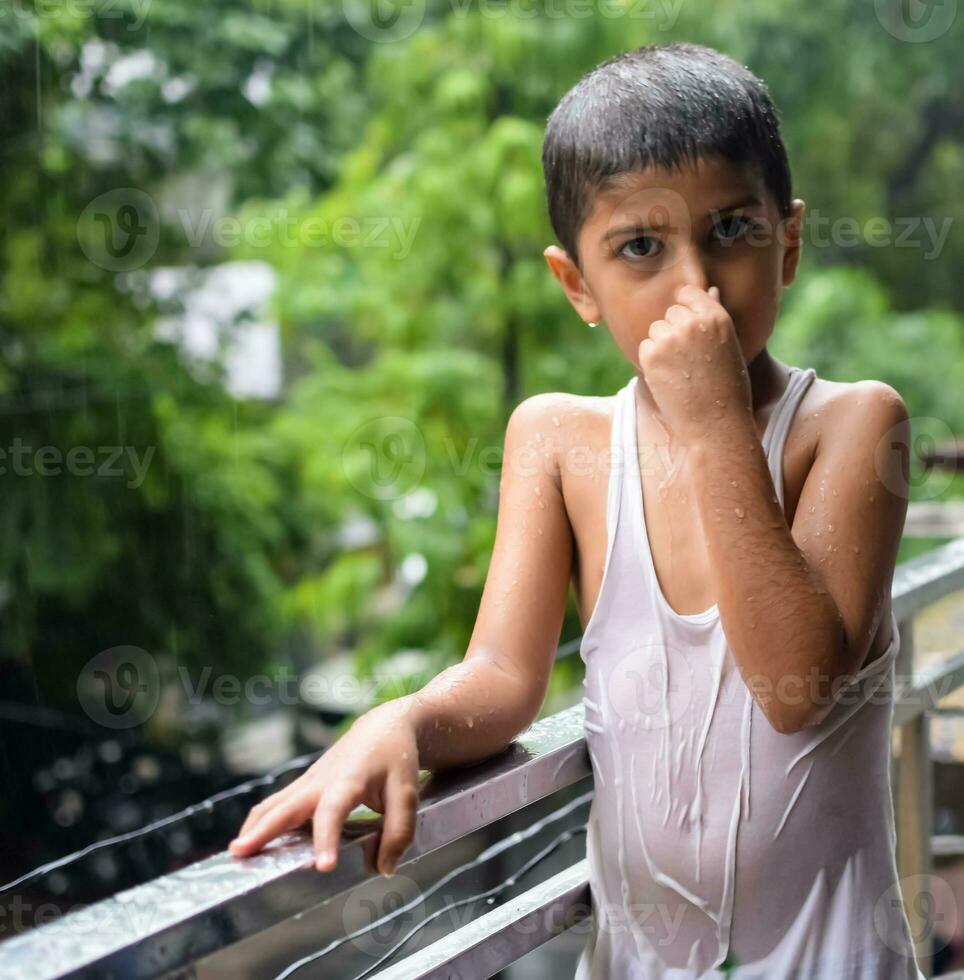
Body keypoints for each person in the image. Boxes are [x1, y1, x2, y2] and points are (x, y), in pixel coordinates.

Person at [229, 41, 924, 979]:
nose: (695, 284)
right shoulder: (559, 442)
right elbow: (502, 679)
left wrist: (716, 420)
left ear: (787, 242)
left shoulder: (852, 425)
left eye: (730, 230)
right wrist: (402, 721)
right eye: (641, 248)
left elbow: (794, 686)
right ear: (577, 286)